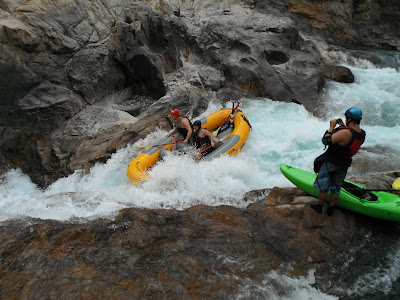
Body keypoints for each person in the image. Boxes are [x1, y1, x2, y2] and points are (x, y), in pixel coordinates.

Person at [311, 107, 366, 216]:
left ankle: (319, 206)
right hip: (344, 164)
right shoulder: (361, 133)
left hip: (331, 162)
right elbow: (348, 139)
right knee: (336, 187)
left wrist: (331, 128)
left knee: (324, 186)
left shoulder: (345, 133)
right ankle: (331, 208)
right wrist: (343, 126)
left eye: (346, 118)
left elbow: (326, 141)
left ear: (349, 119)